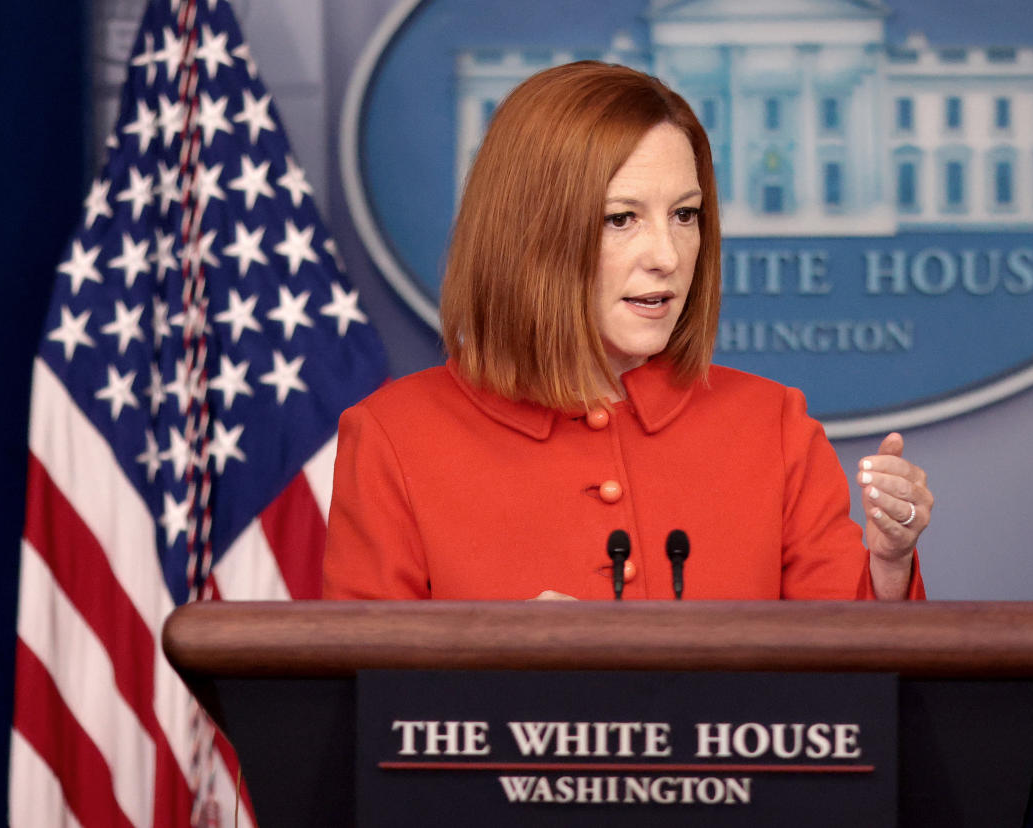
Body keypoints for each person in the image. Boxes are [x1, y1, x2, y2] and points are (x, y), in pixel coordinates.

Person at [323, 62, 931, 602]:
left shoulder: (775, 427)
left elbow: (849, 704)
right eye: (622, 219)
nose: (667, 255)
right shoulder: (393, 439)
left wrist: (888, 566)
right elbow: (369, 712)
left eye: (685, 215)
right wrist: (501, 672)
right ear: (527, 234)